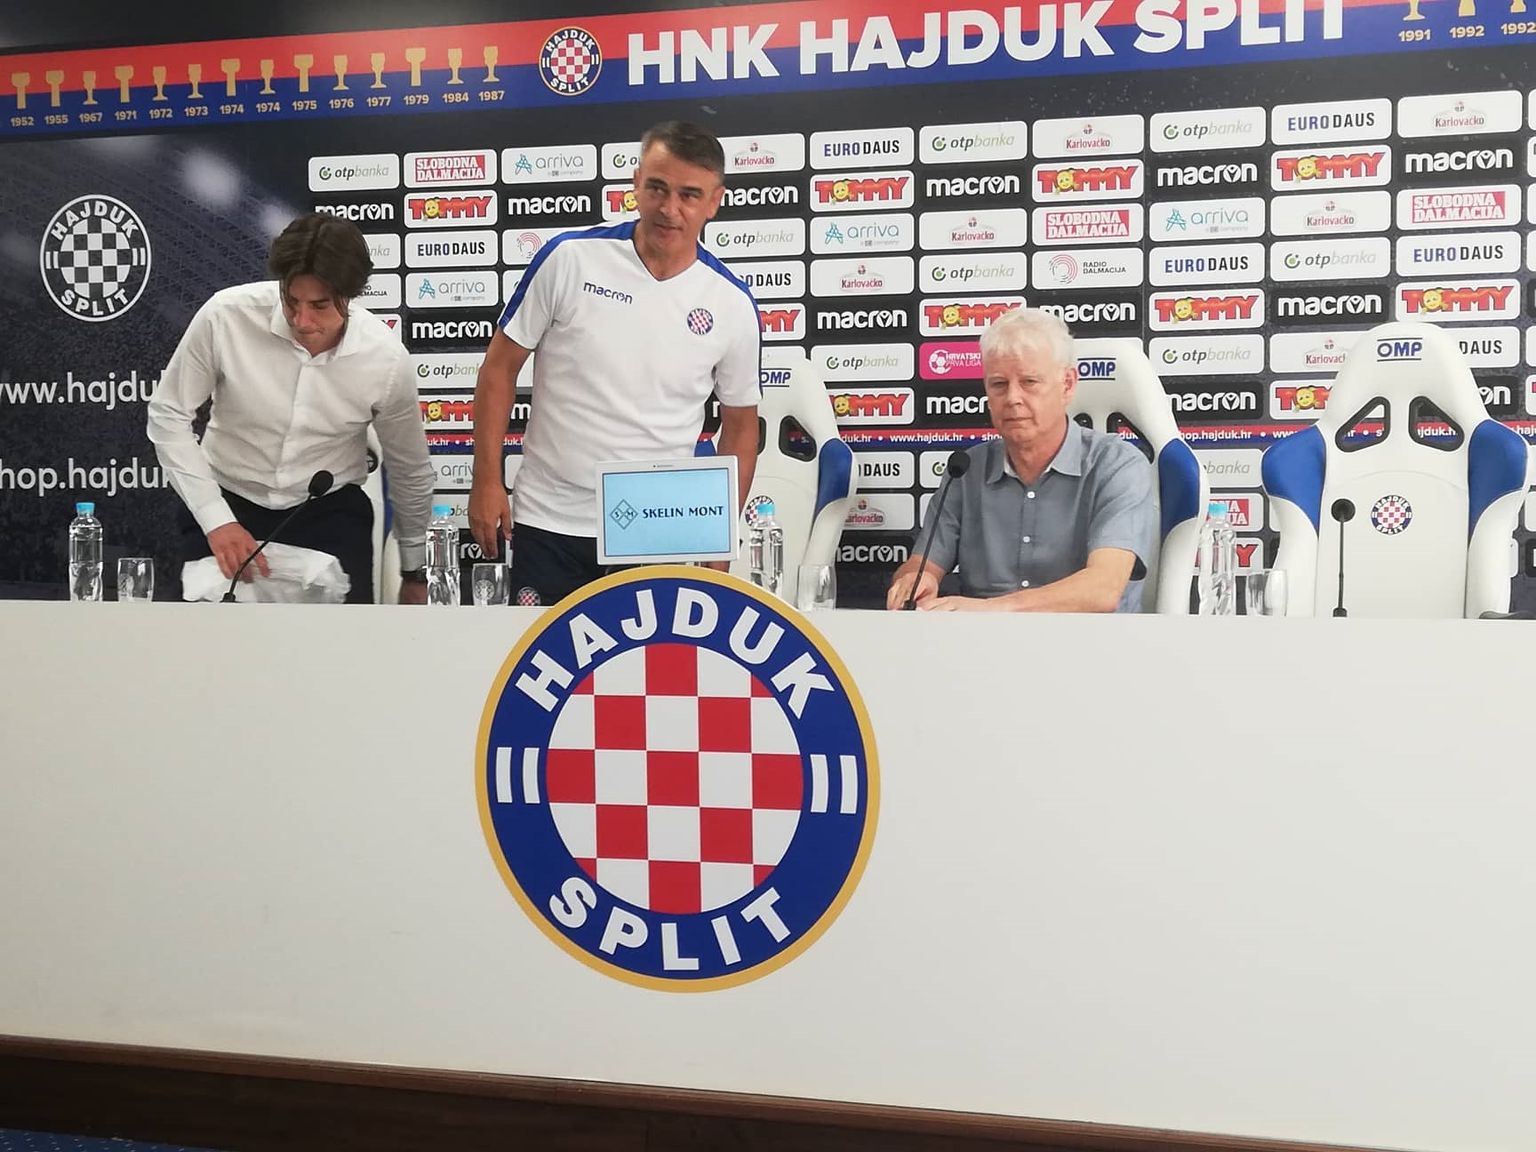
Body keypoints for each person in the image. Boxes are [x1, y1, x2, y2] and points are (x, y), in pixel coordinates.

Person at [467, 120, 760, 604]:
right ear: (636, 182)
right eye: (657, 188)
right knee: (542, 655)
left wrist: (720, 530)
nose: (669, 209)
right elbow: (499, 369)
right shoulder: (569, 259)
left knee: (652, 658)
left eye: (689, 195)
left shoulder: (732, 303)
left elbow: (741, 427)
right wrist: (485, 479)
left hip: (659, 530)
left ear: (714, 202)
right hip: (550, 521)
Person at [147, 213, 434, 604]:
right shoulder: (225, 317)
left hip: (327, 516)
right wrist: (215, 518)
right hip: (227, 500)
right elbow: (168, 415)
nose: (302, 320)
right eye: (291, 301)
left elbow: (410, 468)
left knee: (344, 642)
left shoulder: (386, 360)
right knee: (199, 640)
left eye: (319, 306)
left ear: (350, 296)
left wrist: (414, 571)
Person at [886, 308, 1153, 613]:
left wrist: (990, 610)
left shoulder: (1118, 466)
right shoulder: (966, 470)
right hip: (979, 640)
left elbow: (1102, 590)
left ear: (1067, 385)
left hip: (1090, 640)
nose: (1012, 398)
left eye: (1029, 382)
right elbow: (923, 564)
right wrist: (915, 580)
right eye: (999, 384)